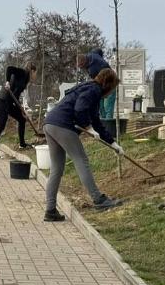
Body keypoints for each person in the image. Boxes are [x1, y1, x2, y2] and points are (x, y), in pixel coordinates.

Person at [42, 67, 124, 222]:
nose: (112, 92)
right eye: (113, 88)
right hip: (62, 125)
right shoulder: (93, 90)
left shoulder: (90, 90)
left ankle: (50, 210)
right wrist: (88, 127)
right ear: (107, 84)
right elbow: (80, 109)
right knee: (82, 160)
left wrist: (113, 144)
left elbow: (96, 122)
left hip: (50, 123)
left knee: (57, 169)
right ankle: (98, 200)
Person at [0, 62, 38, 159]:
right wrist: (7, 81)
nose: (35, 75)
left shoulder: (25, 80)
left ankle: (22, 144)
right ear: (32, 71)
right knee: (1, 125)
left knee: (22, 119)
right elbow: (9, 68)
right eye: (35, 73)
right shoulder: (22, 73)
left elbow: (16, 95)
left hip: (10, 102)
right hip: (2, 101)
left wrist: (21, 110)